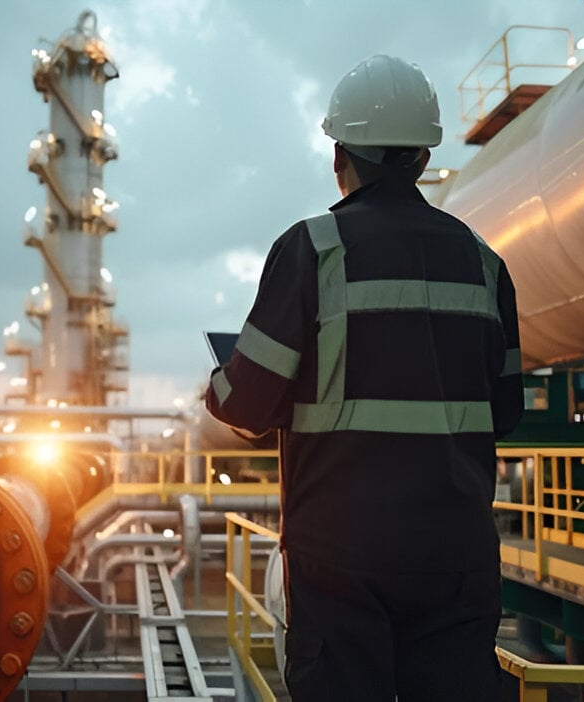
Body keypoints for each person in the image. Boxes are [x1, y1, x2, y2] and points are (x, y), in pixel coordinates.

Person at [205, 55, 522, 701]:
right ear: (423, 158)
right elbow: (507, 409)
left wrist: (216, 383)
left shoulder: (314, 249)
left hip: (343, 556)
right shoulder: (484, 263)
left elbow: (245, 406)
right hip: (456, 556)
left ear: (337, 154)